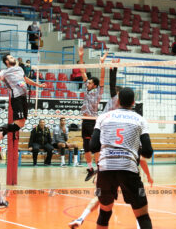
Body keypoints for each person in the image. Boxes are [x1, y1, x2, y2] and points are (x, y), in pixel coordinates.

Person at [88, 87, 153, 229]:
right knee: (143, 217)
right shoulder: (140, 120)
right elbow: (148, 152)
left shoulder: (103, 117)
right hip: (128, 170)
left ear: (118, 101)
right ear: (134, 102)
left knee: (104, 214)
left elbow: (93, 146)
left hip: (105, 170)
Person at [69, 154, 153, 228]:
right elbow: (142, 159)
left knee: (98, 198)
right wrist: (149, 176)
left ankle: (81, 218)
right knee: (138, 204)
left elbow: (98, 153)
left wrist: (99, 174)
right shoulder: (133, 139)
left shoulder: (109, 139)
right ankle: (140, 226)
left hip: (106, 174)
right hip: (128, 174)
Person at [0, 52, 46, 143]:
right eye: (11, 57)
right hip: (16, 98)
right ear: (7, 61)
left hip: (24, 97)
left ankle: (1, 134)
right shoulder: (5, 72)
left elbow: (26, 80)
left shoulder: (20, 69)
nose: (13, 58)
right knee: (18, 123)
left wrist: (38, 85)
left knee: (20, 125)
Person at [79, 47, 108, 181]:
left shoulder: (98, 92)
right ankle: (90, 169)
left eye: (90, 82)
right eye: (88, 82)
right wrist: (81, 57)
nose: (87, 83)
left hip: (92, 121)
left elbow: (102, 77)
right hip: (85, 121)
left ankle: (100, 169)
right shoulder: (87, 90)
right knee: (86, 148)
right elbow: (82, 71)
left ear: (95, 85)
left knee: (95, 147)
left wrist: (102, 63)